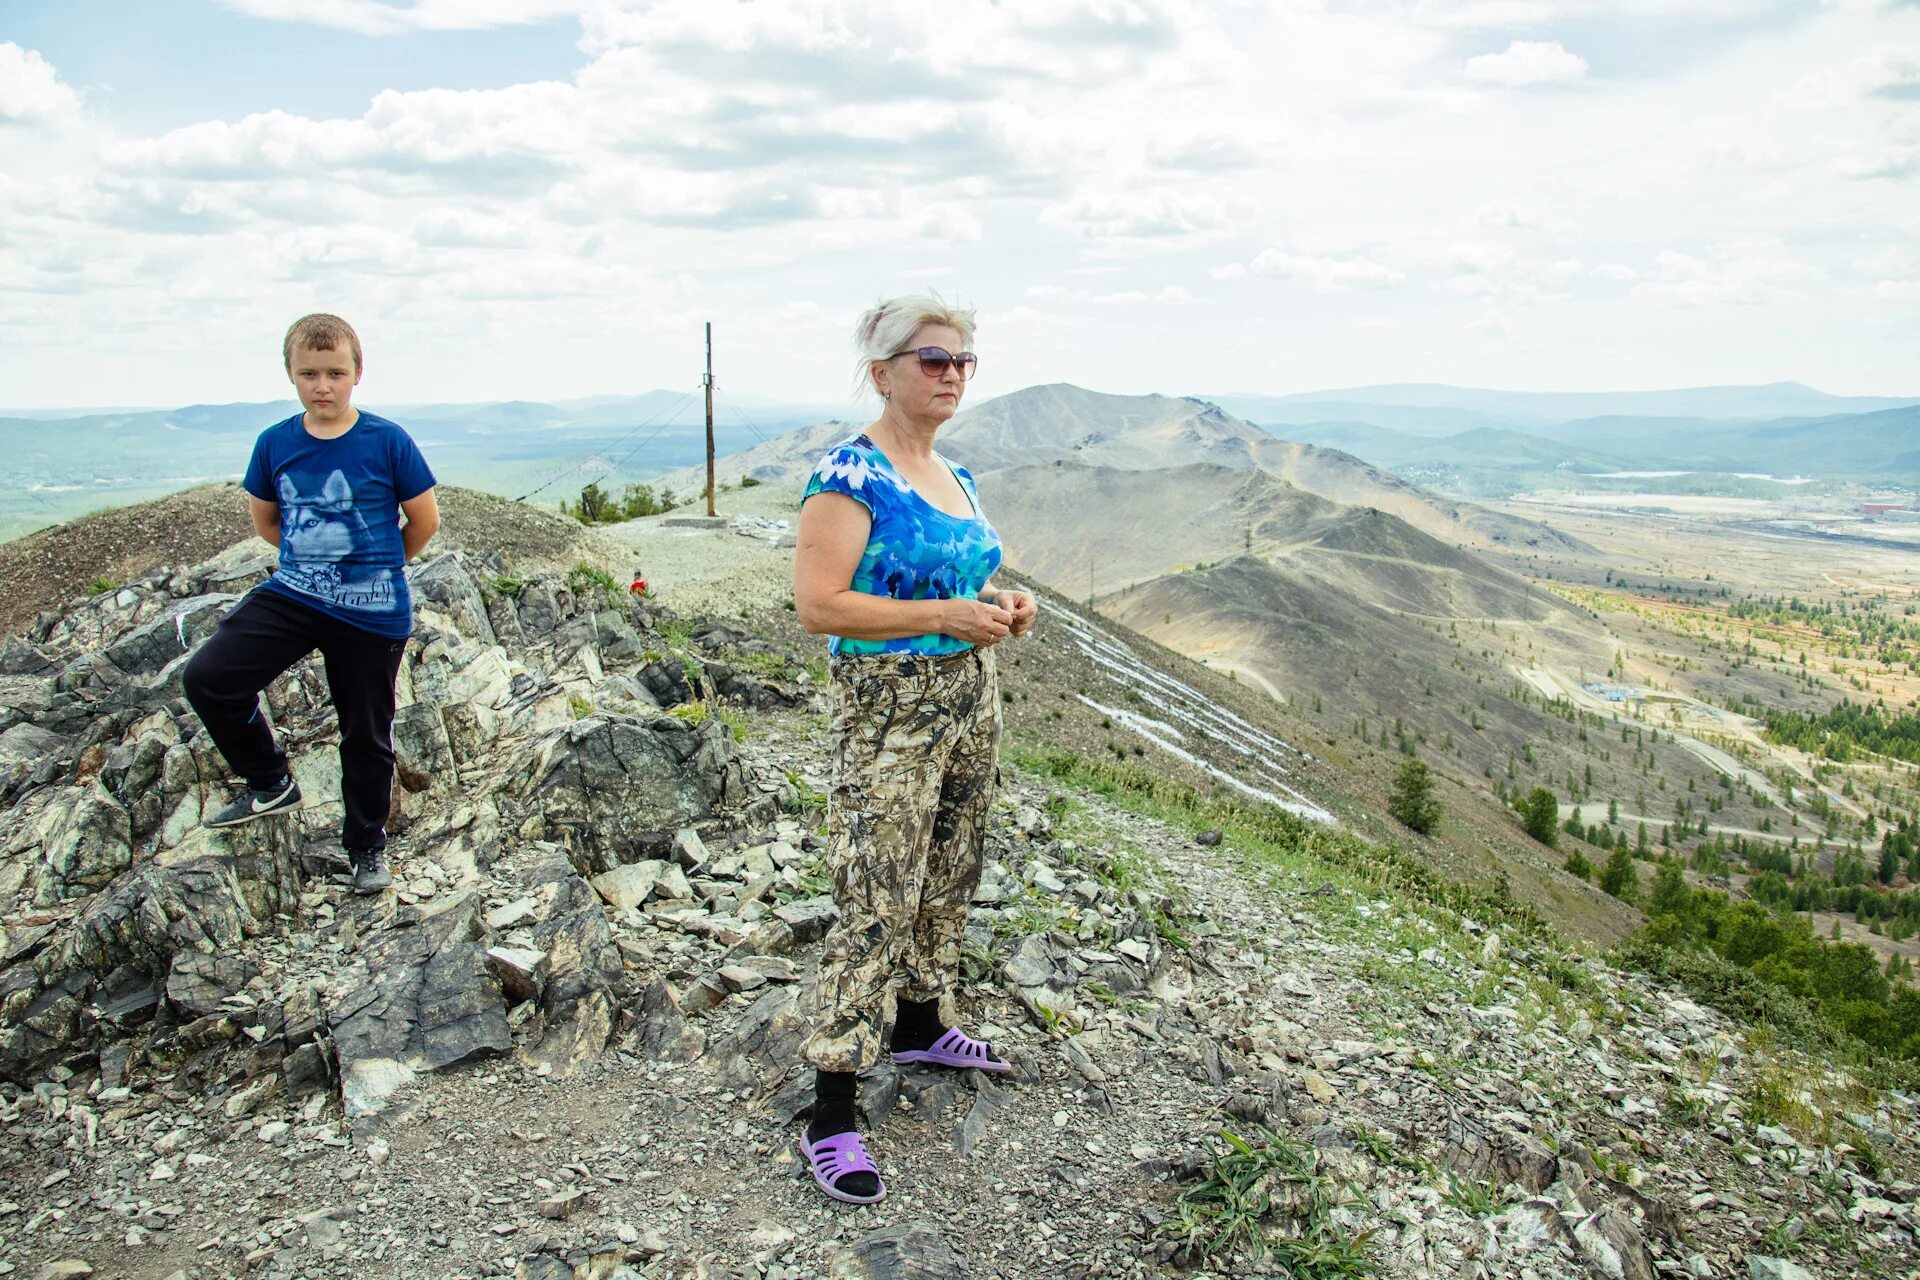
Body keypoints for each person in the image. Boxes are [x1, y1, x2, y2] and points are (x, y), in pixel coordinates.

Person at [790, 293, 1039, 1203]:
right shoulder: (848, 478)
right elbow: (818, 606)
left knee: (949, 865)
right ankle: (832, 1109)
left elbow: (963, 573)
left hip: (971, 695)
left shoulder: (950, 470)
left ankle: (921, 1021)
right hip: (887, 709)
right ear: (881, 370)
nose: (951, 375)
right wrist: (940, 615)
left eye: (964, 361)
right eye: (932, 360)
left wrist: (1010, 605)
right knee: (875, 892)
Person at [182, 314, 440, 895]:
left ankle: (367, 847)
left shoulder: (388, 440)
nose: (322, 386)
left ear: (357, 372)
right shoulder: (275, 443)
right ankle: (269, 780)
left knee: (365, 734)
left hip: (372, 611)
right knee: (209, 678)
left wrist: (375, 567)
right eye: (309, 374)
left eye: (335, 373)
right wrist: (316, 564)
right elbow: (269, 522)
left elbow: (423, 522)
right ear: (291, 375)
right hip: (295, 595)